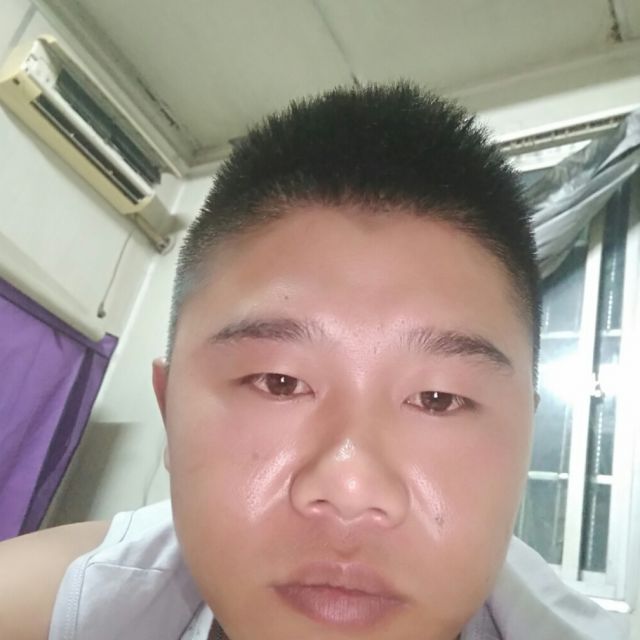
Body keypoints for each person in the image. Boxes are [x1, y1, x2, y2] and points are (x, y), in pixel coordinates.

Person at [0, 82, 627, 640]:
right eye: (279, 382)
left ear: (523, 440)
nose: (351, 491)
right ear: (170, 410)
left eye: (438, 400)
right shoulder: (65, 604)